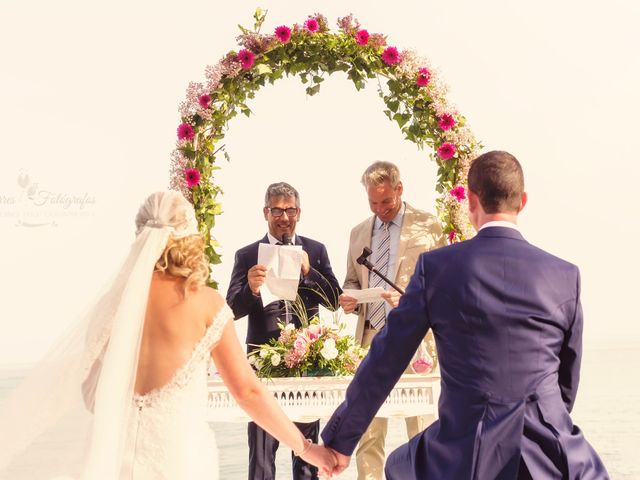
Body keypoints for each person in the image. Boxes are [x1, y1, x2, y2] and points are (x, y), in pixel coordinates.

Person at [0, 191, 336, 479]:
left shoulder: (112, 304)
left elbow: (91, 395)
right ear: (188, 238)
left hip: (117, 459)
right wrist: (306, 448)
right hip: (180, 457)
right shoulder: (205, 303)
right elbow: (248, 392)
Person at [321, 151, 609, 479]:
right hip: (553, 449)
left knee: (397, 466)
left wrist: (338, 441)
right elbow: (566, 382)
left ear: (471, 201)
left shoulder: (437, 268)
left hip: (464, 447)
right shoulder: (565, 275)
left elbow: (385, 361)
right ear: (523, 201)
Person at [337, 161, 445, 480]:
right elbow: (352, 281)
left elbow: (443, 285)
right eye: (373, 203)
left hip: (417, 343)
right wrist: (350, 298)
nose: (380, 209)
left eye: (386, 201)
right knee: (368, 431)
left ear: (400, 189)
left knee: (421, 428)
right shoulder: (358, 233)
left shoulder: (429, 226)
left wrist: (412, 301)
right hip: (370, 341)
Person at [226, 182, 341, 480]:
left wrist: (309, 272)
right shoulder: (246, 255)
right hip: (263, 369)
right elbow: (231, 310)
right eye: (277, 210)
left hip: (308, 367)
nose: (284, 217)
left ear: (299, 213)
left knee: (307, 459)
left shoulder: (315, 250)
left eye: (290, 210)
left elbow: (334, 301)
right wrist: (250, 289)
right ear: (265, 212)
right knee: (262, 457)